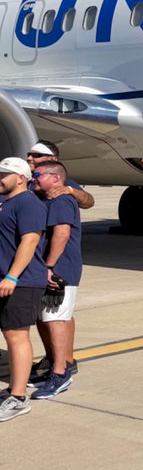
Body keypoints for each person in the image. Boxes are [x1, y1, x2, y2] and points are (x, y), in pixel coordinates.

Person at [28, 162, 82, 400]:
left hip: (60, 271)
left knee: (55, 319)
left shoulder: (61, 201)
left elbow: (62, 234)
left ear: (55, 178)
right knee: (46, 318)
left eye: (38, 174)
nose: (34, 178)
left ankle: (60, 374)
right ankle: (53, 368)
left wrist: (48, 266)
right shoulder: (45, 199)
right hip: (48, 270)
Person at [0, 157, 48, 422]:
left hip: (22, 281)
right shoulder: (6, 202)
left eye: (3, 174)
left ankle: (19, 398)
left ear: (21, 178)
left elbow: (29, 241)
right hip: (6, 279)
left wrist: (12, 276)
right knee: (10, 335)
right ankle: (13, 390)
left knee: (17, 336)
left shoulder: (28, 203)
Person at [26, 142, 95, 209]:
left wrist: (71, 191)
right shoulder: (27, 180)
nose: (29, 158)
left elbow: (89, 202)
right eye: (29, 155)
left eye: (36, 155)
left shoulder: (62, 183)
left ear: (53, 158)